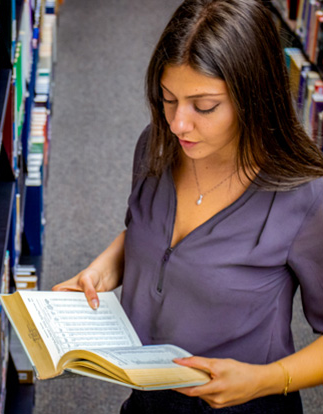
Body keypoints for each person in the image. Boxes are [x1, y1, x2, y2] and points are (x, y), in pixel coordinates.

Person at [52, 0, 323, 412]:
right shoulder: (156, 145)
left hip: (247, 403)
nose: (179, 123)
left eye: (204, 106)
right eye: (168, 98)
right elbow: (152, 234)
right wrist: (103, 269)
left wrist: (267, 380)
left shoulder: (304, 196)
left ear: (255, 97)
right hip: (147, 396)